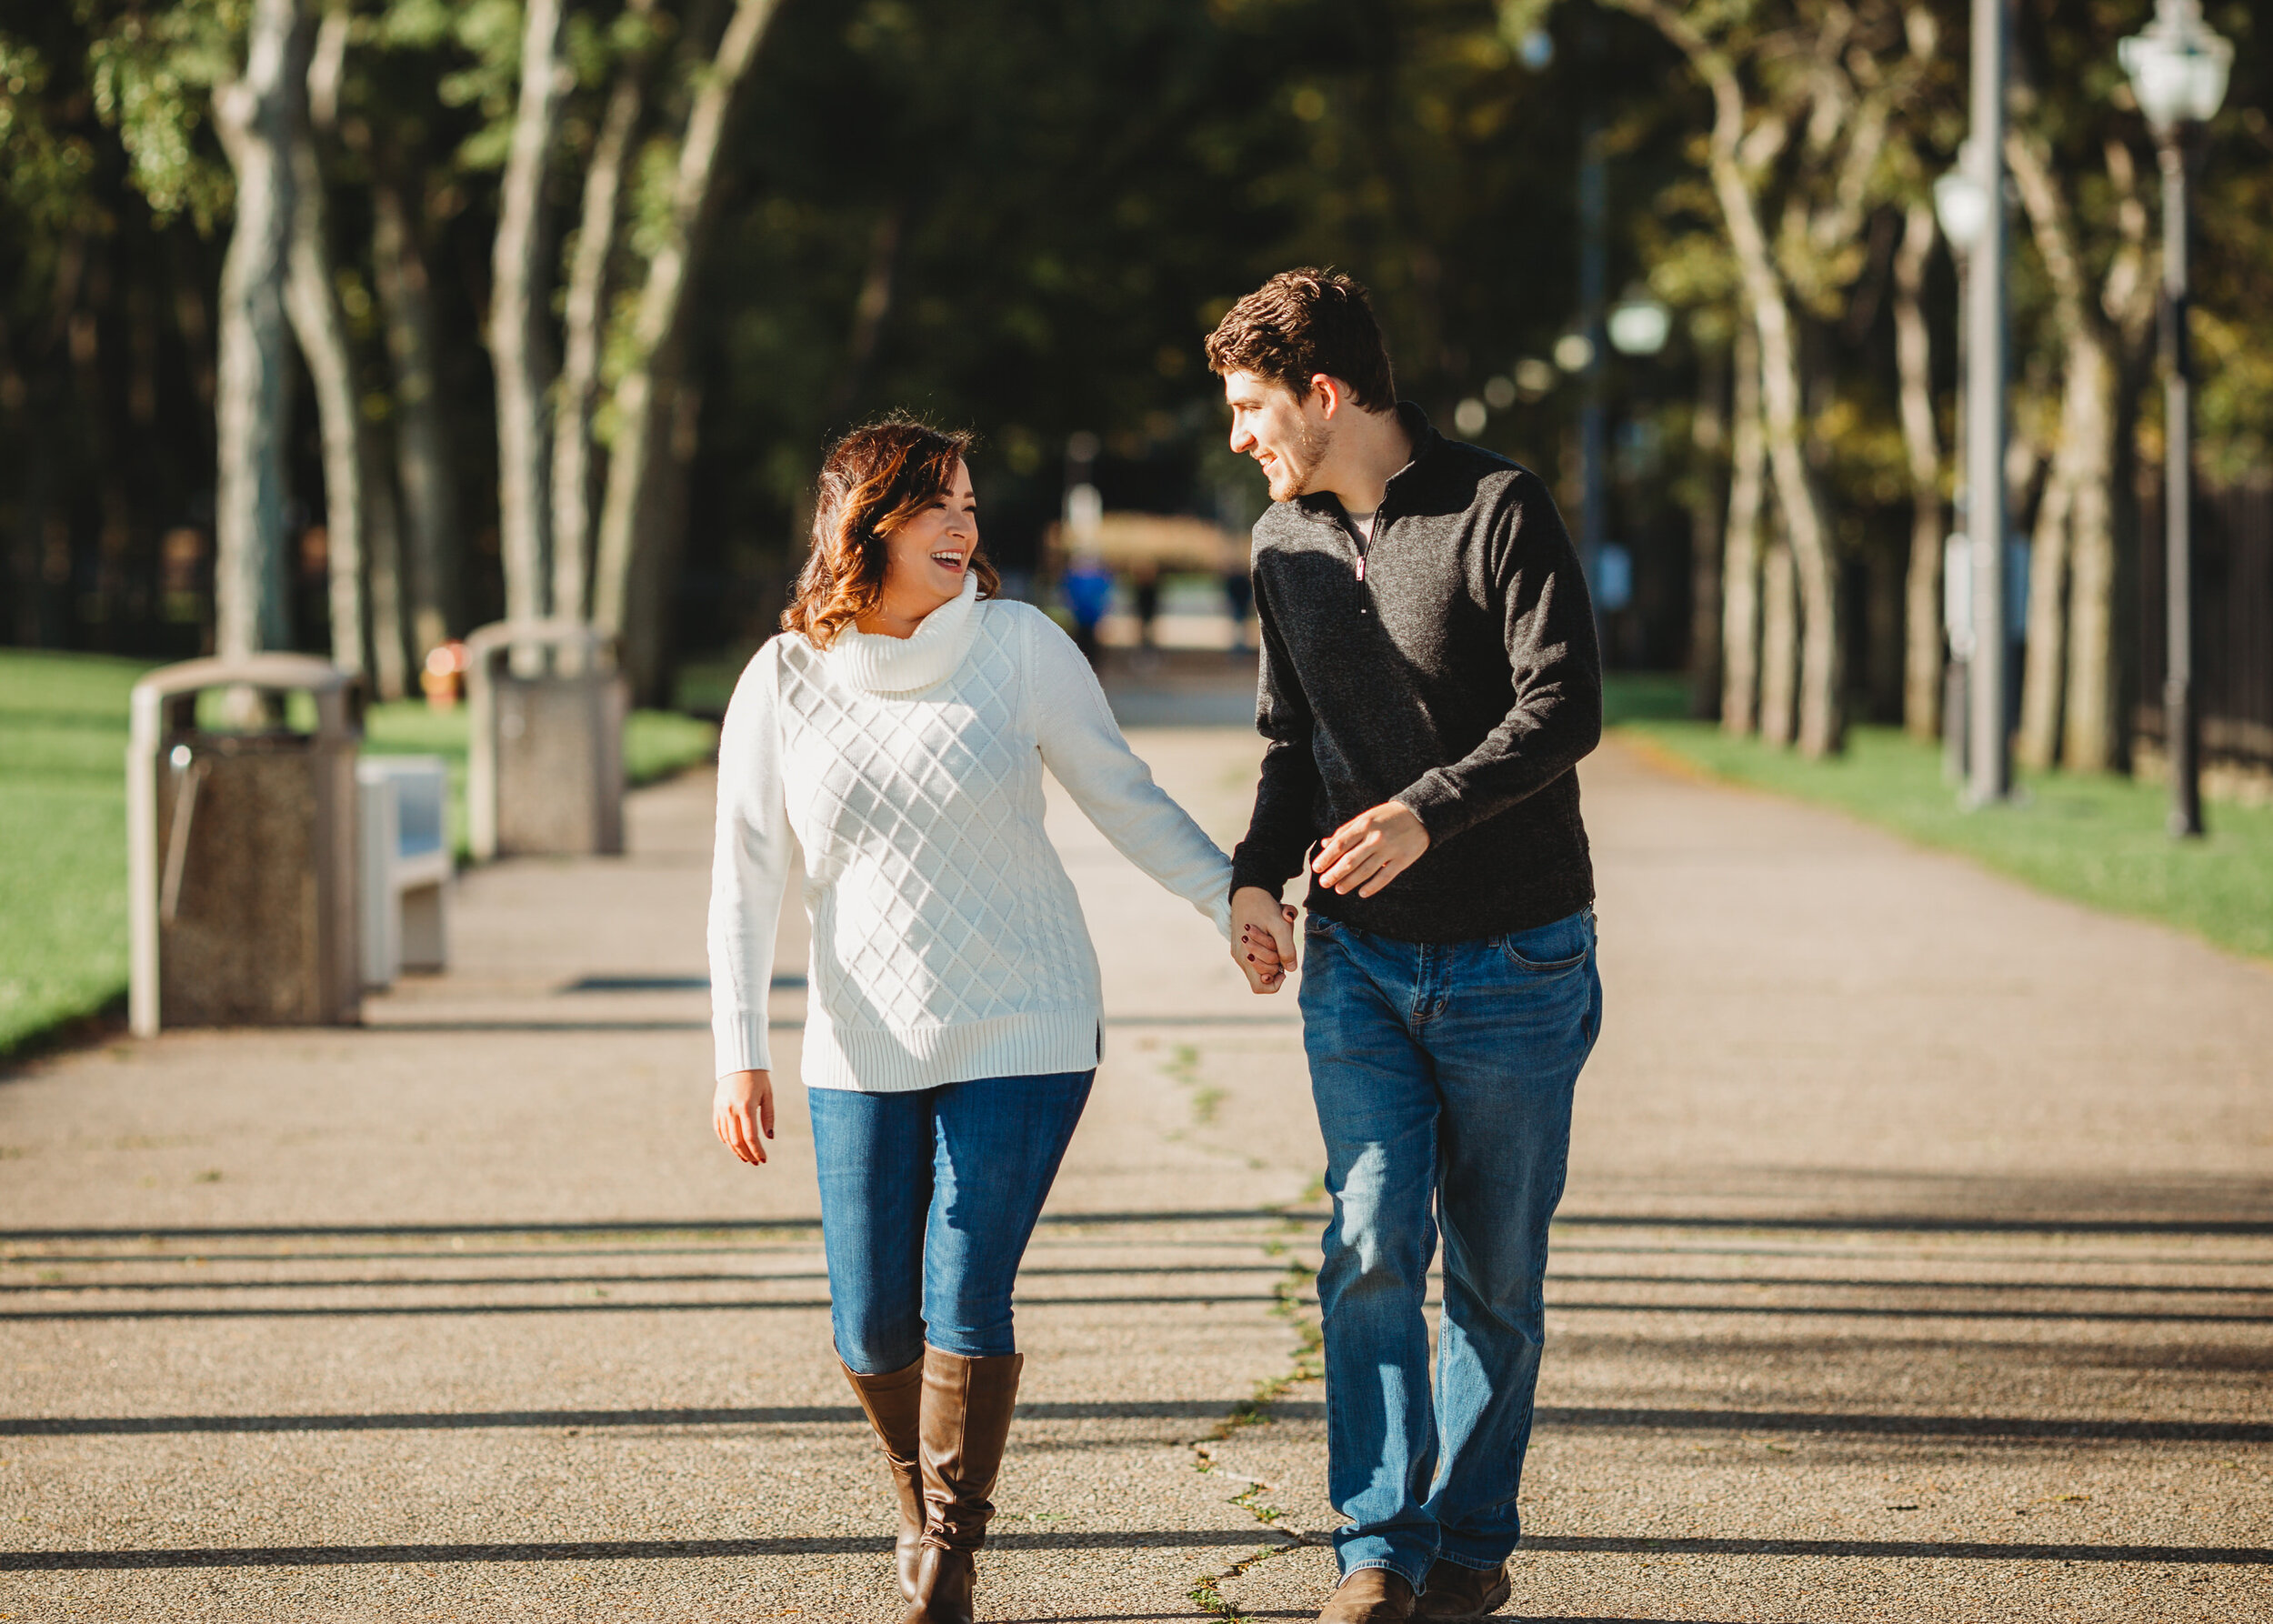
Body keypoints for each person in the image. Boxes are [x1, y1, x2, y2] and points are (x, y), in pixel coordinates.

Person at [707, 417, 1264, 1624]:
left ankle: (949, 1548)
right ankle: (920, 1498)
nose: (964, 524)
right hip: (859, 1039)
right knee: (868, 1314)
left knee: (966, 1287)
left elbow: (1124, 793)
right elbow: (743, 875)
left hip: (1026, 1022)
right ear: (867, 526)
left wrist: (1232, 897)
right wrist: (736, 1048)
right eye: (934, 505)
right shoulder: (785, 676)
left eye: (968, 502)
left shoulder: (1019, 648)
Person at [1208, 271, 1605, 1624]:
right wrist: (1256, 880)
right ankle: (1376, 1544)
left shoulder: (1499, 508)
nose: (1239, 436)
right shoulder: (1282, 544)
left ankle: (1471, 1542)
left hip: (1520, 956)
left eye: (1255, 407)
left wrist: (1428, 813)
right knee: (1372, 1235)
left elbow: (1565, 705)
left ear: (1325, 395)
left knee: (1495, 1271)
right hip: (1361, 964)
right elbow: (1286, 743)